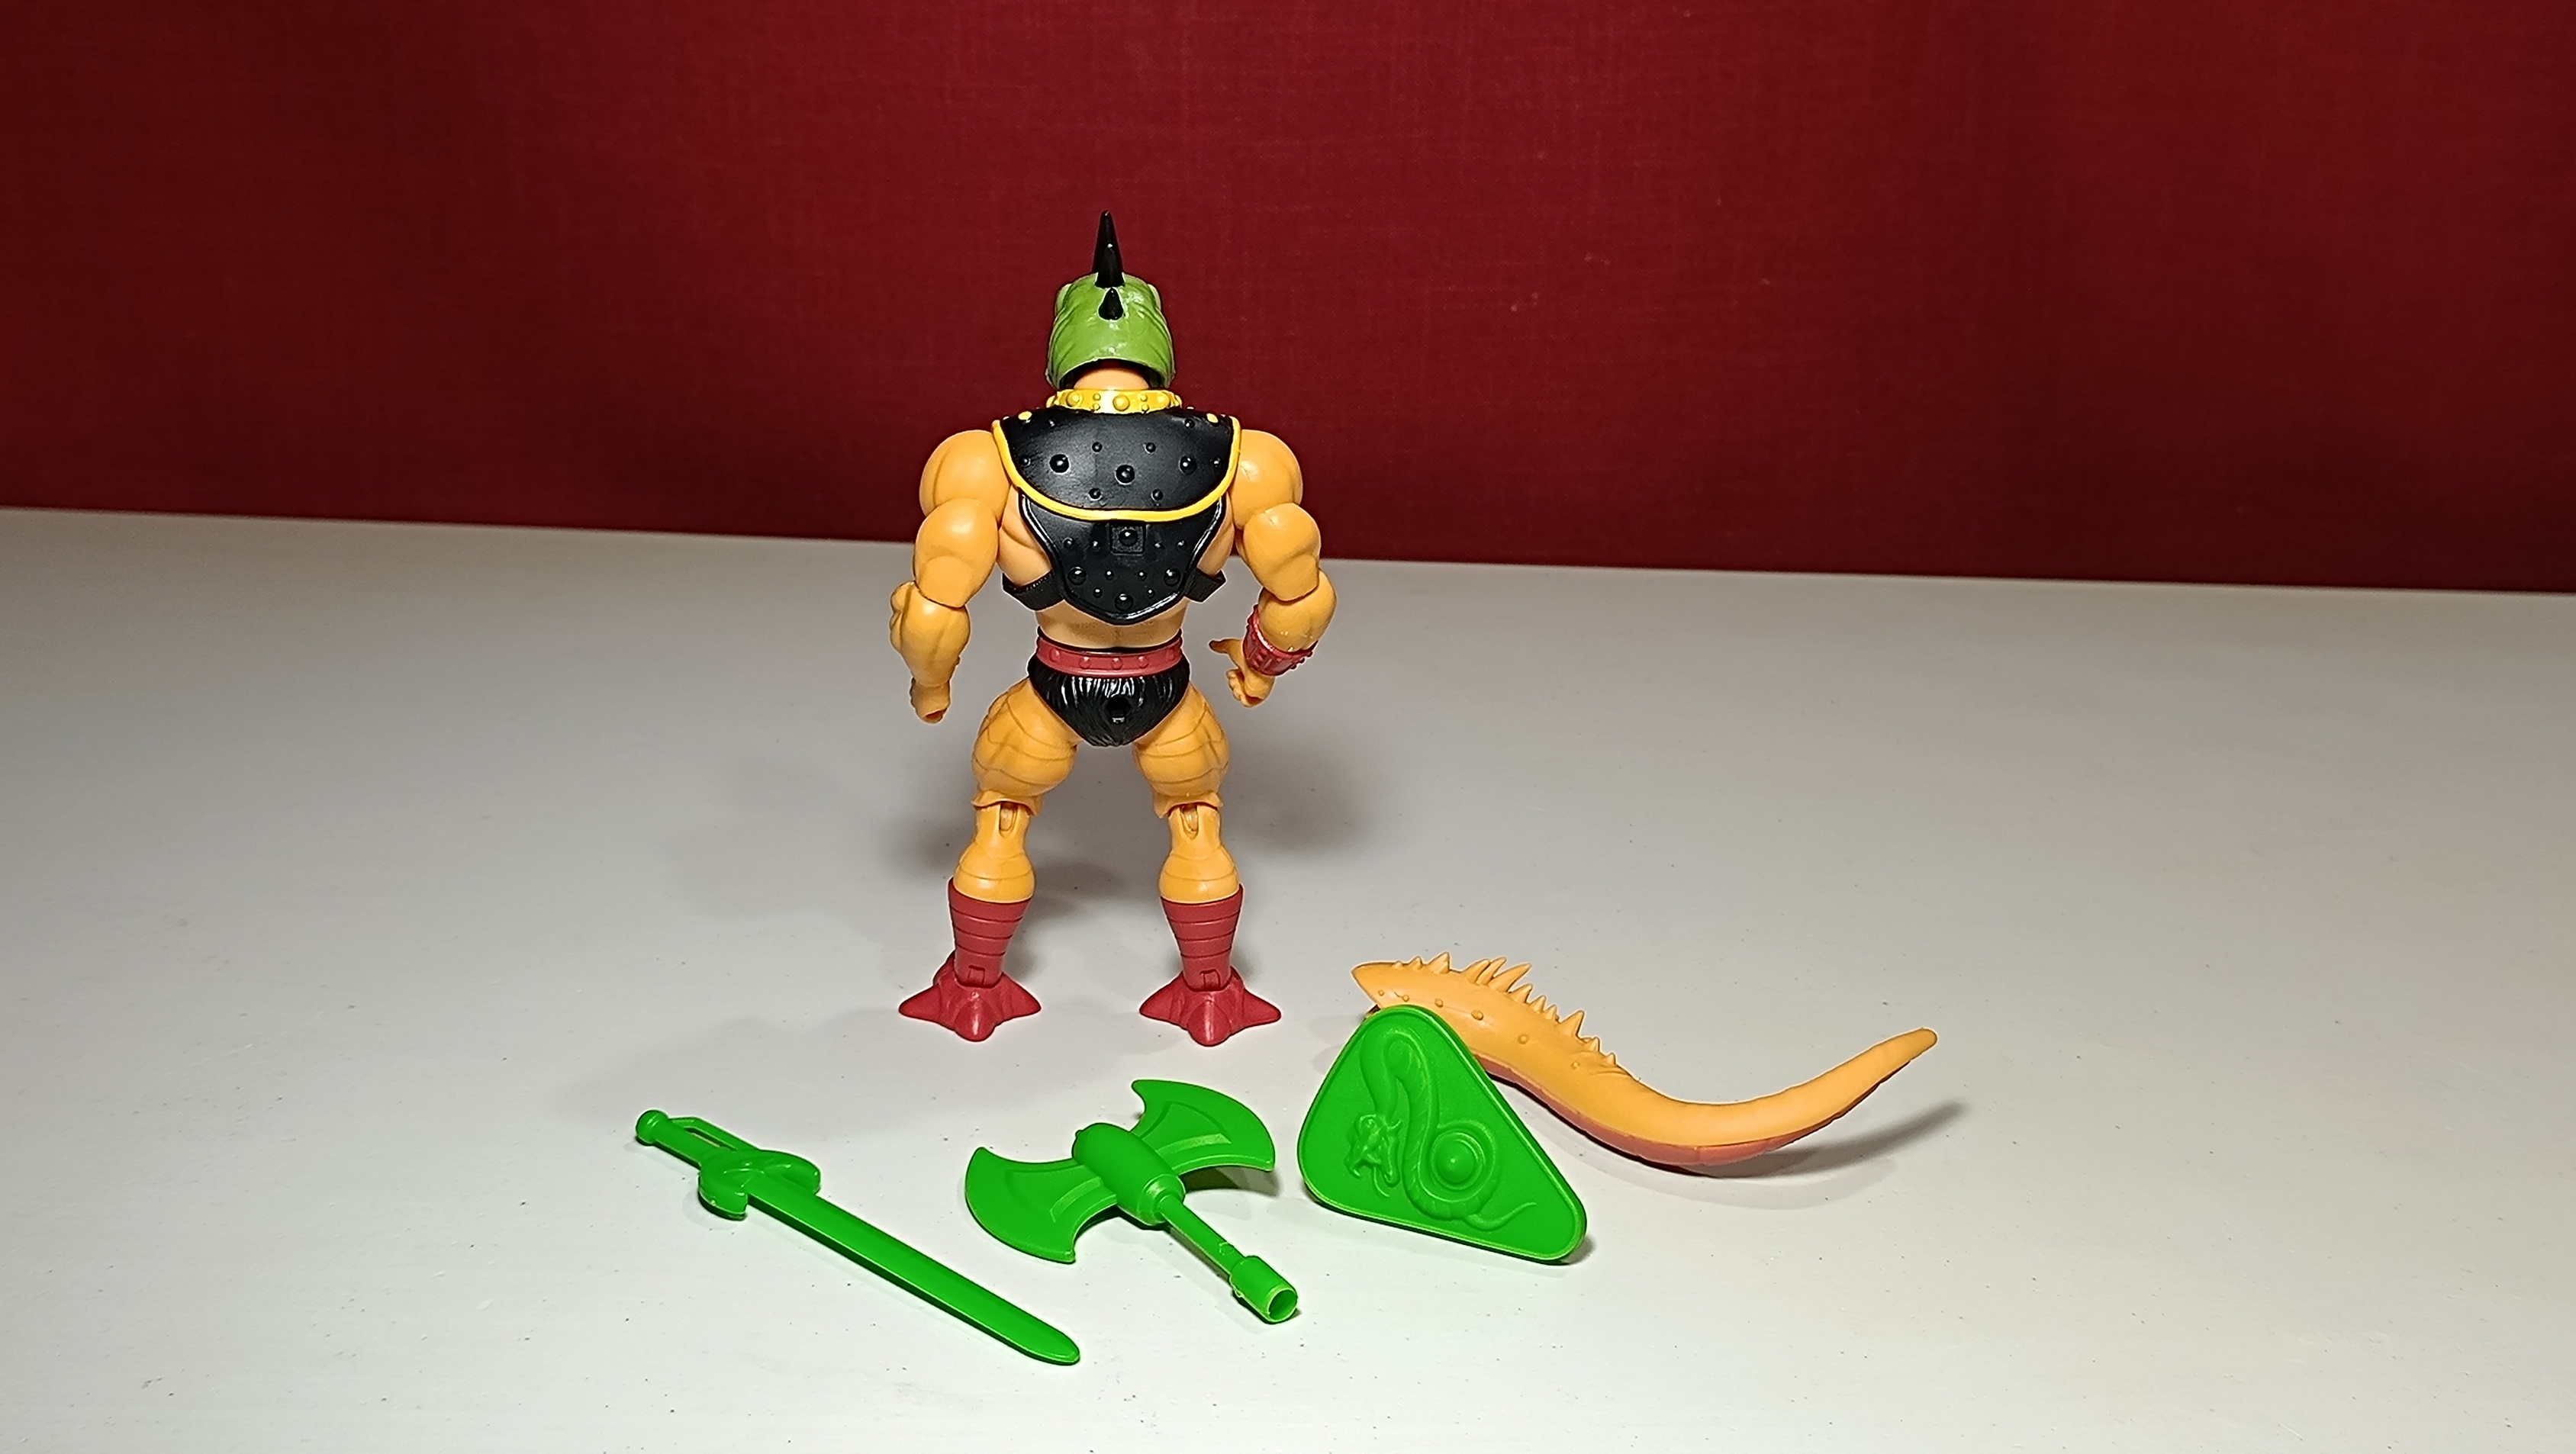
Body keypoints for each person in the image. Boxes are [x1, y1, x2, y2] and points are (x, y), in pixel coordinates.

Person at [887, 214, 1335, 1044]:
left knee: (1002, 817)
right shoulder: (1246, 460)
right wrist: (1260, 662)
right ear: (1161, 349)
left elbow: (934, 607)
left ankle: (974, 988)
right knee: (1196, 818)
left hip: (1055, 684)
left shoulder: (985, 459)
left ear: (1060, 351)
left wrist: (931, 683)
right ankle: (1210, 992)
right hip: (1164, 687)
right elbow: (1300, 596)